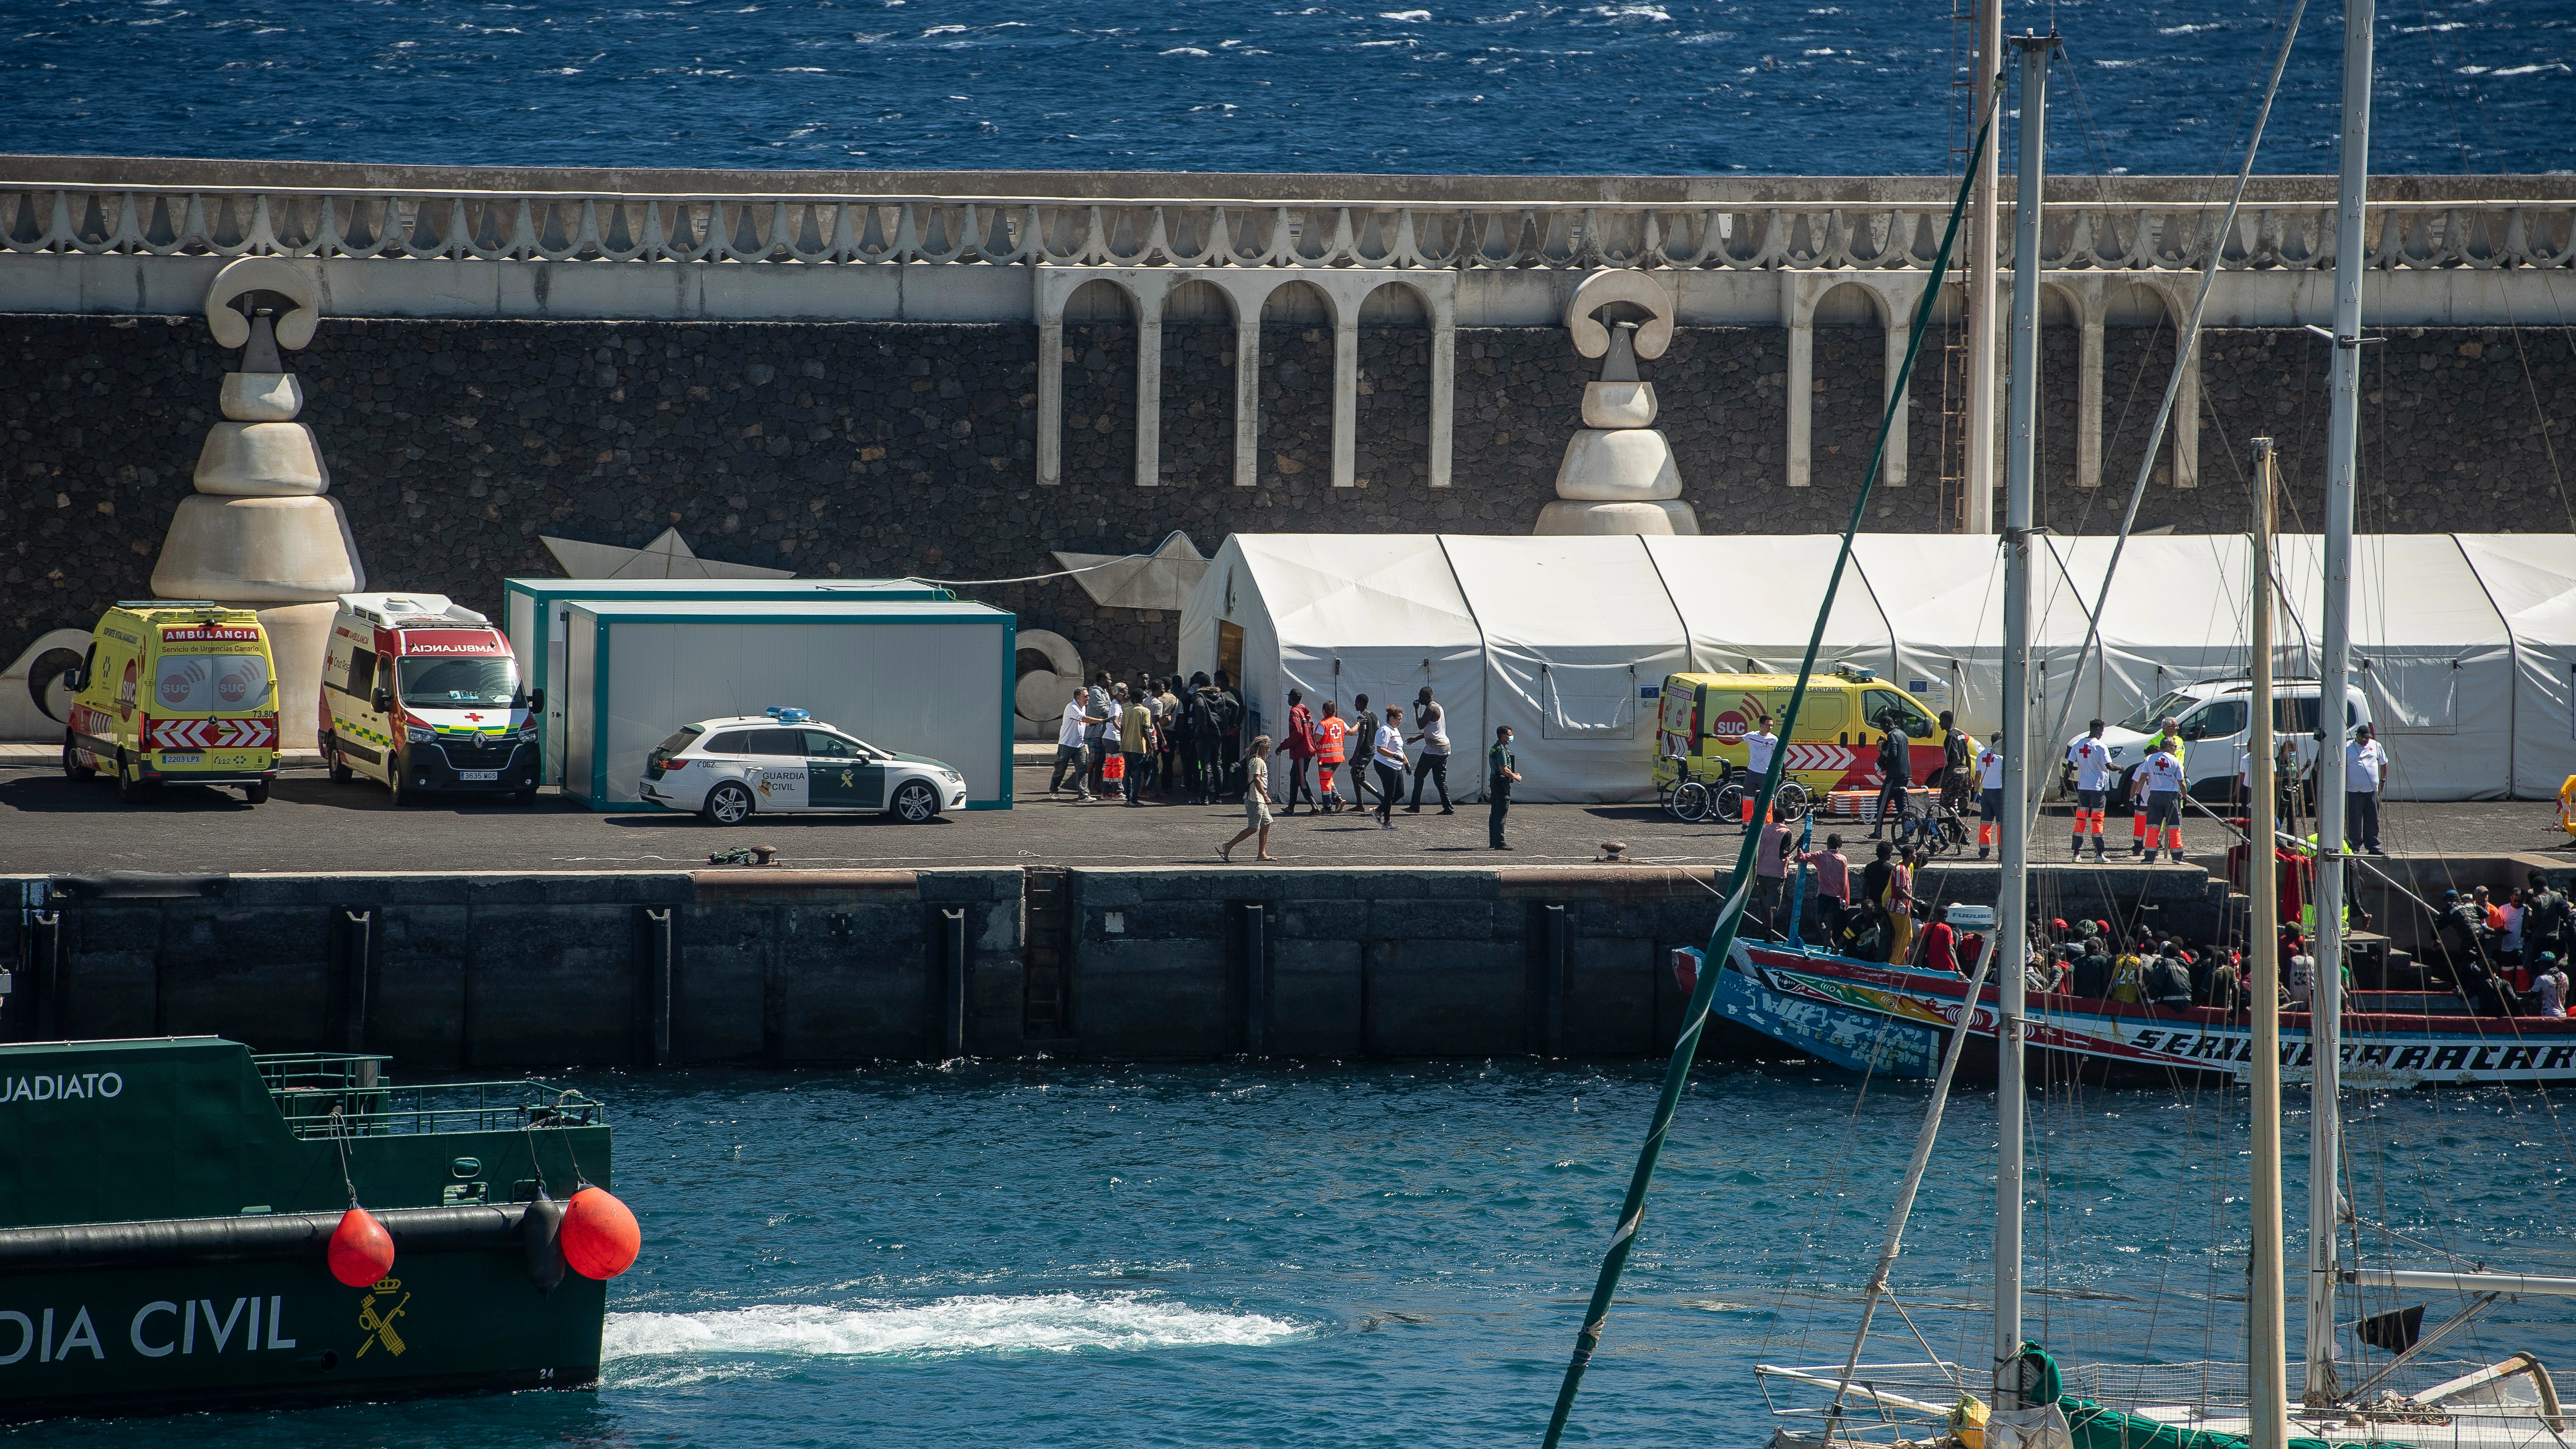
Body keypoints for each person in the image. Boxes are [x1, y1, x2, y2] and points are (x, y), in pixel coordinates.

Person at [2129, 716, 2188, 856]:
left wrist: (2136, 795)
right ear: (2168, 747)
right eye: (2173, 747)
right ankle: (2177, 856)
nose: (2178, 729)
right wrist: (2185, 796)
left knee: (2152, 826)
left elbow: (2141, 778)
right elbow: (2182, 782)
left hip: (2154, 795)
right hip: (2171, 795)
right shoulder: (2172, 760)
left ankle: (2150, 855)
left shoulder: (2150, 760)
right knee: (2174, 827)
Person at [1220, 733, 1278, 862]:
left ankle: (1262, 854)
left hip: (1259, 800)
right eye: (1268, 747)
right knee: (1253, 828)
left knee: (1267, 823)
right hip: (1255, 800)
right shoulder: (1257, 761)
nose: (1269, 749)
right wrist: (1266, 796)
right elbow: (1257, 780)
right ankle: (1228, 845)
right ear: (1262, 747)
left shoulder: (1253, 760)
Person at [2067, 719, 2115, 861]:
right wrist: (2120, 768)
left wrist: (2064, 785)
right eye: (2102, 731)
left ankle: (2076, 854)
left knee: (2080, 820)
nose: (2102, 734)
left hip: (2083, 788)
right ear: (2099, 730)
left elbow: (2069, 766)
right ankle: (2099, 854)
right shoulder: (2101, 746)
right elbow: (2110, 766)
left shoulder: (2077, 745)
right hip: (2098, 788)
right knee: (2097, 821)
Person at [1406, 686, 1452, 814]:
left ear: (1429, 696)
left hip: (1434, 748)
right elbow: (1434, 730)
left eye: (1422, 696)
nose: (1419, 699)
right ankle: (1448, 808)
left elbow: (1421, 725)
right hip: (1444, 747)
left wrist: (1416, 709)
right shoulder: (1438, 707)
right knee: (1440, 779)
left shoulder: (1430, 708)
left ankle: (1415, 807)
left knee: (1419, 775)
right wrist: (1417, 738)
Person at [2346, 722, 2389, 856]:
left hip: (2371, 791)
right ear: (2358, 736)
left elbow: (2384, 762)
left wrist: (2383, 780)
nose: (2366, 741)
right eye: (2364, 738)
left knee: (2373, 819)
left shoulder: (2375, 746)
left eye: (2368, 738)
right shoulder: (2347, 747)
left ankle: (2373, 846)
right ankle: (2354, 845)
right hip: (2353, 791)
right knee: (2354, 820)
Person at [1868, 711, 1910, 840]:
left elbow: (1893, 754)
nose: (1883, 730)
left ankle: (1878, 833)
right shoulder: (1903, 734)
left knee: (1882, 803)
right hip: (1906, 774)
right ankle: (1906, 833)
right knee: (1901, 806)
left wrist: (1883, 752)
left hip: (1894, 775)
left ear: (1888, 724)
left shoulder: (1892, 735)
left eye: (1883, 727)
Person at [1276, 688, 1318, 815]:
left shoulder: (1294, 711)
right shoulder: (1304, 710)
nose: (1288, 700)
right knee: (1294, 775)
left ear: (1293, 699)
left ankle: (1314, 806)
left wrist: (1283, 746)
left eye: (1289, 698)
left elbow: (1298, 733)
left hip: (1302, 751)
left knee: (1300, 778)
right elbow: (1310, 727)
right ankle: (1291, 807)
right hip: (1308, 748)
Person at [1049, 685, 1093, 800]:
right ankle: (1054, 790)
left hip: (1079, 745)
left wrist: (1092, 723)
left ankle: (1084, 795)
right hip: (1066, 744)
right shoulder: (1072, 707)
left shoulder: (1083, 707)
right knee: (1061, 769)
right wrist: (1102, 721)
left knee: (1082, 769)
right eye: (1086, 696)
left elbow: (1084, 722)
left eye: (1088, 696)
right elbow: (1083, 719)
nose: (1088, 698)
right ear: (1078, 698)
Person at [1798, 833, 1854, 919]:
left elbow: (1802, 858)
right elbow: (1845, 881)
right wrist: (1846, 898)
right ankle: (1827, 933)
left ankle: (1823, 933)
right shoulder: (1843, 859)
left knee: (1819, 920)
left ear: (1828, 844)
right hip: (1836, 896)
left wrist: (1800, 847)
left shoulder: (1820, 855)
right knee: (1830, 922)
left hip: (1823, 894)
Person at [1754, 815, 1794, 932]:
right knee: (1770, 907)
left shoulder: (1766, 830)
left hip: (1762, 872)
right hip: (1776, 875)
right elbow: (1782, 855)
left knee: (1763, 904)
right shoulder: (1786, 832)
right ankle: (1769, 935)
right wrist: (1796, 846)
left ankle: (1764, 931)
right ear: (1784, 819)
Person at [1082, 670, 1118, 799]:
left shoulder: (1105, 693)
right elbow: (1103, 710)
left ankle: (1096, 784)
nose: (1111, 682)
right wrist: (1117, 710)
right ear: (1102, 680)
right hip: (1095, 732)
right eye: (1109, 679)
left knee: (1100, 760)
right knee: (1093, 759)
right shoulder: (1095, 692)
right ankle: (1085, 785)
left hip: (1102, 732)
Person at [1372, 705, 1409, 830]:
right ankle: (1387, 822)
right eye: (1399, 719)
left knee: (1400, 793)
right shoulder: (1384, 730)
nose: (1400, 721)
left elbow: (1399, 749)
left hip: (1396, 765)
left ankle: (1379, 810)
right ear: (1391, 718)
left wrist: (1406, 762)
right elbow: (1380, 749)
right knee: (1390, 794)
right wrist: (1394, 756)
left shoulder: (1395, 730)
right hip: (1385, 764)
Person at [1739, 712, 1779, 824]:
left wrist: (1780, 771)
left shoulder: (1774, 739)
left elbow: (1779, 757)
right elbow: (1736, 738)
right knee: (1748, 798)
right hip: (1752, 772)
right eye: (1768, 725)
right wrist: (1716, 736)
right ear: (1761, 725)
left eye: (1772, 725)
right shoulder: (1752, 736)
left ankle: (1767, 824)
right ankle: (1746, 824)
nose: (1770, 728)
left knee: (1768, 800)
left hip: (1766, 774)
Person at [1119, 685, 1153, 806]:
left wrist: (1123, 741)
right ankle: (1134, 800)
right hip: (1138, 746)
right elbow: (1145, 730)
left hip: (1126, 745)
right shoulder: (1146, 711)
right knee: (1137, 772)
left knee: (1128, 773)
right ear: (1143, 699)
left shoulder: (1127, 710)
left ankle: (1128, 798)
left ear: (1132, 699)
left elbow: (1122, 728)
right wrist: (1150, 745)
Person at [1489, 725, 1521, 850]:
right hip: (1502, 783)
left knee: (1495, 813)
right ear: (1503, 736)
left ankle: (1493, 841)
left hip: (1495, 781)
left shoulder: (1494, 748)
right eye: (1510, 735)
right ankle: (1500, 843)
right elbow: (1504, 769)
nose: (1511, 737)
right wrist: (1515, 776)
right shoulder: (1501, 750)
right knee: (1501, 813)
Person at [1974, 735, 2006, 860]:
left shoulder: (1981, 755)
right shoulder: (2002, 757)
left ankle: (1984, 852)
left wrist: (1976, 793)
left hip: (1986, 792)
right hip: (1999, 792)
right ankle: (2002, 852)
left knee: (1985, 823)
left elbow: (1978, 777)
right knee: (2001, 824)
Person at [1347, 693, 1380, 813]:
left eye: (1356, 702)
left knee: (1360, 778)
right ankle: (1360, 805)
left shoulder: (1362, 718)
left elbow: (1361, 737)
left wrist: (1354, 756)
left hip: (1364, 752)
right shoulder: (1374, 716)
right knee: (1354, 774)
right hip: (1371, 750)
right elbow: (1378, 731)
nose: (1355, 704)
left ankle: (1383, 800)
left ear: (1361, 703)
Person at [1938, 710, 1975, 815]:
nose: (1940, 724)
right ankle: (1955, 828)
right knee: (1955, 803)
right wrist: (1969, 777)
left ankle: (1960, 826)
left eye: (1941, 721)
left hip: (1955, 773)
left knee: (1944, 803)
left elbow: (1956, 759)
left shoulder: (1950, 737)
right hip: (1964, 772)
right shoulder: (1961, 734)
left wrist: (1945, 779)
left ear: (1947, 721)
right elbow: (1967, 756)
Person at [1315, 702, 1349, 813]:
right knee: (1329, 778)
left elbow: (1316, 739)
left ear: (1324, 711)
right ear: (1335, 711)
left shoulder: (1323, 724)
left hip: (1326, 758)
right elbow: (1352, 732)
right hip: (1338, 758)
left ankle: (1327, 807)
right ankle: (1338, 799)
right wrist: (1358, 724)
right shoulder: (1341, 722)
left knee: (1325, 781)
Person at [1885, 845, 1918, 964]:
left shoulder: (1908, 869)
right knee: (1906, 936)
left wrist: (1912, 905)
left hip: (1905, 909)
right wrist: (1914, 899)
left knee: (1903, 937)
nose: (1916, 856)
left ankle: (1901, 964)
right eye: (1915, 854)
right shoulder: (1900, 869)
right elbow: (1899, 890)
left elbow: (1908, 889)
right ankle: (1894, 963)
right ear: (1909, 855)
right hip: (1898, 908)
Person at [1919, 904, 1961, 973]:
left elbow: (1923, 948)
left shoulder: (1926, 927)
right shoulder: (1947, 929)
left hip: (1931, 966)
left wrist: (1919, 965)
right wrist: (1959, 969)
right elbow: (1951, 950)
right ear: (1945, 916)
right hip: (1947, 967)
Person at [2536, 952, 2568, 1018]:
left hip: (2549, 1014)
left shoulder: (2542, 978)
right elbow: (2567, 992)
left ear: (2546, 965)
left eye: (2541, 964)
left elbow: (2532, 995)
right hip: (2563, 1013)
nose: (2539, 966)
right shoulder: (2564, 976)